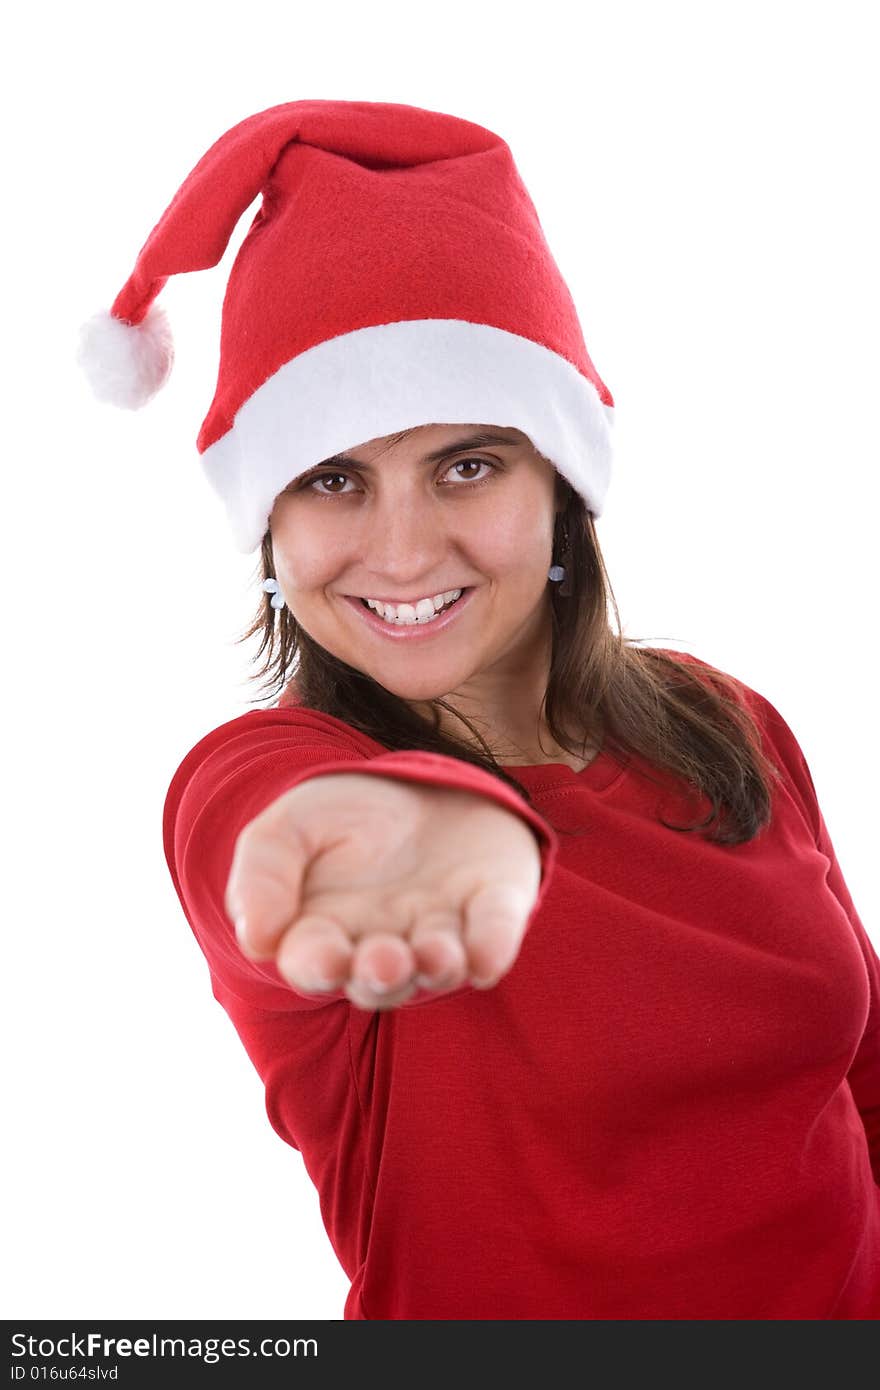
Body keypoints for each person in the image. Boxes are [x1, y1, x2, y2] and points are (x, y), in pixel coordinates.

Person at [79, 99, 879, 1321]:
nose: (402, 552)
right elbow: (272, 840)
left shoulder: (729, 721)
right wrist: (396, 846)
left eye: (467, 463)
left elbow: (857, 1079)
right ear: (267, 524)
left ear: (562, 484)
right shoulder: (268, 770)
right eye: (332, 477)